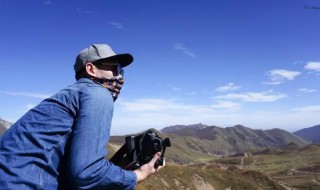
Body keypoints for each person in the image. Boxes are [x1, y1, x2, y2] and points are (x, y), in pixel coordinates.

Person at [0, 44, 164, 189]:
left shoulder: (67, 96)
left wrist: (115, 170)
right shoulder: (97, 93)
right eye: (115, 68)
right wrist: (139, 174)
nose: (120, 76)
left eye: (121, 70)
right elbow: (87, 174)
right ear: (91, 69)